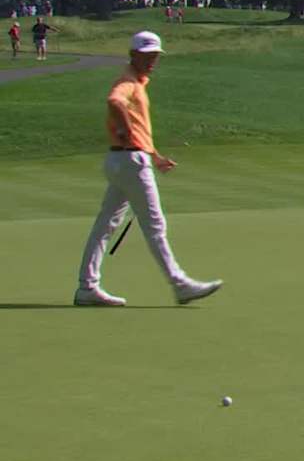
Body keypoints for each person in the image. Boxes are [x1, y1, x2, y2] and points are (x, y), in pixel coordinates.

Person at [74, 31, 223, 307]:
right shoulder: (128, 81)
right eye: (147, 55)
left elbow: (138, 130)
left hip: (123, 160)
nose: (153, 60)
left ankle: (87, 286)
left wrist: (155, 156)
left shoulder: (138, 82)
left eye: (155, 55)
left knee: (105, 225)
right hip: (131, 162)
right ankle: (180, 285)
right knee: (155, 226)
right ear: (133, 55)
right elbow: (114, 101)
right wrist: (124, 128)